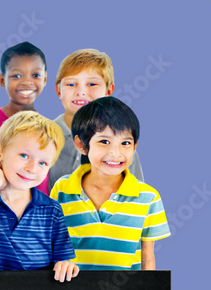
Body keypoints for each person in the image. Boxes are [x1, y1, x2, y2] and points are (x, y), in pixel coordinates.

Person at [50, 97, 169, 269]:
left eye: (125, 143)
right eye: (104, 141)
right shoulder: (62, 190)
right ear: (81, 144)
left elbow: (147, 255)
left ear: (135, 146)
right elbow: (53, 243)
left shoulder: (149, 198)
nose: (115, 153)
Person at [0, 111, 78, 281]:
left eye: (42, 163)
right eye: (24, 155)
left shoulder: (52, 210)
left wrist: (65, 265)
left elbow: (62, 259)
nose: (32, 168)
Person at [48, 48, 143, 191]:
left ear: (108, 91)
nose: (81, 92)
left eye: (92, 84)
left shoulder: (123, 146)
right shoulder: (44, 136)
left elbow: (137, 194)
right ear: (58, 91)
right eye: (71, 84)